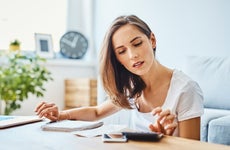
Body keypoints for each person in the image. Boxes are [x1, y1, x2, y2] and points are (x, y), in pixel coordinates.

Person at [35, 15, 203, 140]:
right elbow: (96, 112)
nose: (133, 55)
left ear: (152, 40)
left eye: (137, 44)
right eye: (122, 51)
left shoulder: (185, 89)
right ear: (117, 59)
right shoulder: (133, 86)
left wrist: (166, 138)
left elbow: (193, 148)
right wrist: (61, 115)